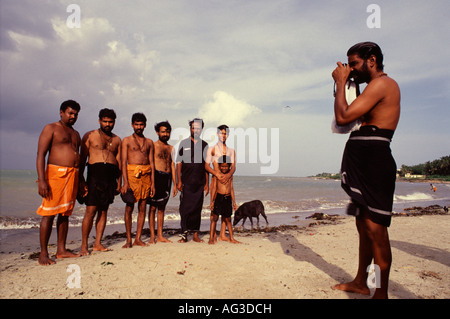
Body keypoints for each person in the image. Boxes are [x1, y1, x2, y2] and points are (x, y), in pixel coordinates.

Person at [331, 42, 401, 299]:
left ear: (372, 60)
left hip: (374, 163)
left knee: (376, 230)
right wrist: (348, 82)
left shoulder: (384, 84)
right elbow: (351, 115)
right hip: (362, 161)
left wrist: (341, 83)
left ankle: (380, 293)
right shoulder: (371, 87)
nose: (351, 69)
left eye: (355, 63)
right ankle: (362, 281)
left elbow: (344, 117)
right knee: (363, 226)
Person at [36, 100, 82, 265]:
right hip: (55, 175)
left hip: (73, 176)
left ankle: (61, 250)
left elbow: (78, 159)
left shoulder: (76, 134)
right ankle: (43, 253)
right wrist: (42, 180)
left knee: (65, 213)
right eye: (70, 113)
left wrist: (81, 180)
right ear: (61, 112)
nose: (73, 117)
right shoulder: (51, 128)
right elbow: (41, 154)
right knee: (49, 213)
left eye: (76, 114)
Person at [79, 108, 121, 255]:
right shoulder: (90, 136)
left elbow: (119, 162)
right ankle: (84, 245)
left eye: (110, 122)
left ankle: (97, 243)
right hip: (94, 176)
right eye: (105, 121)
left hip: (110, 178)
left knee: (103, 211)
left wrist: (119, 181)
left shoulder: (117, 140)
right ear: (99, 121)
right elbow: (81, 160)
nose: (108, 124)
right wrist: (81, 181)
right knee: (90, 211)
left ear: (114, 122)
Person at [120, 113, 155, 248]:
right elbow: (123, 162)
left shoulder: (149, 142)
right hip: (131, 174)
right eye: (136, 124)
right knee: (129, 206)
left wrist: (153, 184)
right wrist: (125, 182)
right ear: (132, 125)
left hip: (146, 175)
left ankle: (138, 238)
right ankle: (129, 239)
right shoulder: (127, 140)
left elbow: (152, 163)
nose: (139, 127)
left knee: (142, 207)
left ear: (145, 125)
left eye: (141, 124)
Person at [176, 118, 209, 243]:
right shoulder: (183, 143)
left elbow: (206, 165)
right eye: (193, 127)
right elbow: (178, 164)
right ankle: (184, 234)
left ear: (201, 129)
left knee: (197, 208)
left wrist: (207, 184)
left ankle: (195, 234)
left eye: (198, 128)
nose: (196, 130)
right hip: (186, 182)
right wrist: (178, 181)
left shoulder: (205, 145)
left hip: (199, 182)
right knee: (184, 208)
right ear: (190, 128)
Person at [147, 121, 178, 243]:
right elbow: (151, 164)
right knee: (153, 208)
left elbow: (172, 165)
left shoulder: (171, 148)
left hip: (167, 178)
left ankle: (160, 235)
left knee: (162, 208)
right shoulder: (153, 145)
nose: (165, 134)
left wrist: (175, 184)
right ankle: (152, 236)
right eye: (163, 131)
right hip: (156, 176)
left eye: (167, 131)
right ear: (157, 132)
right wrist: (152, 183)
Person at [209, 156, 239, 244]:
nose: (224, 168)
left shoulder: (230, 175)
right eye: (222, 166)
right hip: (219, 197)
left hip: (228, 198)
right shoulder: (217, 175)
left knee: (228, 219)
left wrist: (234, 202)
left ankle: (232, 238)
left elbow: (232, 188)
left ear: (229, 166)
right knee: (215, 218)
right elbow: (214, 188)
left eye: (226, 166)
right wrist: (212, 201)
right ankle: (211, 238)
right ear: (219, 166)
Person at [205, 125, 236, 200]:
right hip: (216, 181)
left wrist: (228, 174)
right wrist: (216, 174)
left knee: (227, 207)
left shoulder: (231, 151)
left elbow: (233, 167)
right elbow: (206, 166)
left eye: (225, 134)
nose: (223, 135)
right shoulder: (211, 149)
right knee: (214, 208)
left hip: (227, 182)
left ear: (227, 135)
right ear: (217, 134)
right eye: (221, 133)